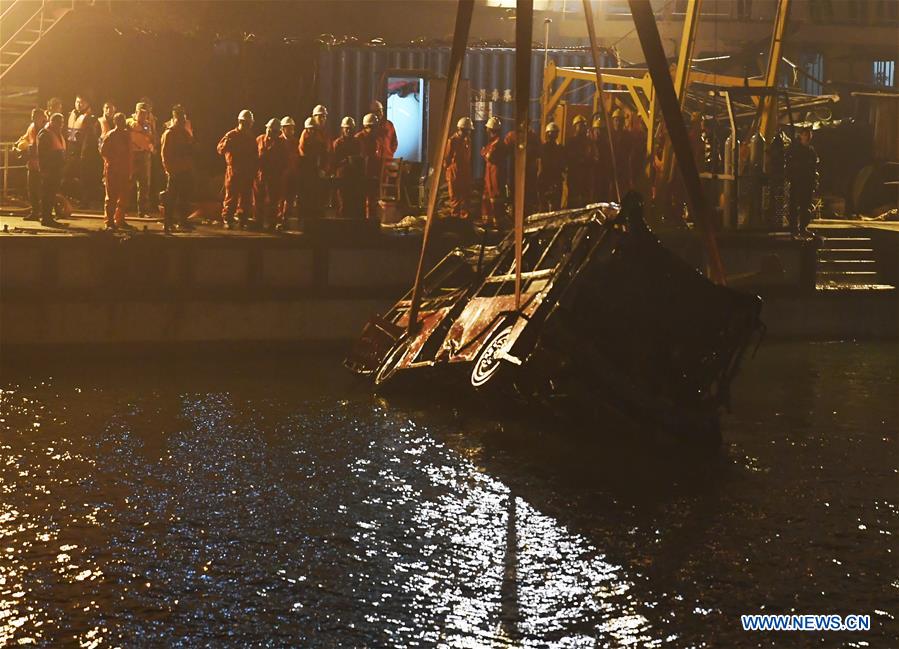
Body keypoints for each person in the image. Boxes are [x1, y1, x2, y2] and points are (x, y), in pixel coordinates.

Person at [217, 109, 258, 229]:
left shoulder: (250, 138)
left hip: (246, 171)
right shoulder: (231, 135)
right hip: (233, 171)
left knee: (245, 196)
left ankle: (242, 218)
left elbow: (255, 155)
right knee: (231, 196)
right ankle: (228, 218)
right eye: (246, 123)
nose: (248, 125)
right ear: (241, 122)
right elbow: (220, 149)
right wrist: (226, 145)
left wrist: (254, 169)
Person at [160, 105, 195, 233]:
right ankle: (168, 222)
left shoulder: (185, 133)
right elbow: (165, 153)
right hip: (174, 170)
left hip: (185, 169)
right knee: (171, 197)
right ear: (174, 119)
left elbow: (191, 148)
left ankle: (183, 221)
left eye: (183, 119)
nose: (182, 122)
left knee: (184, 197)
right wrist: (168, 170)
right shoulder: (169, 133)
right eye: (180, 119)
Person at [100, 112, 134, 231]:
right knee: (111, 196)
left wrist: (130, 169)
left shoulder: (127, 135)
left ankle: (120, 219)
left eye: (123, 120)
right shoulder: (111, 135)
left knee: (123, 196)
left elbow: (130, 153)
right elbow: (103, 151)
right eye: (119, 120)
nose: (122, 123)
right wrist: (113, 160)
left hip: (124, 170)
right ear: (115, 122)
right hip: (113, 170)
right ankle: (109, 221)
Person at [65, 95, 101, 208]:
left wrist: (83, 153)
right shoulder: (71, 114)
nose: (79, 104)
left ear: (87, 104)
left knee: (84, 178)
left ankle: (85, 201)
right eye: (77, 102)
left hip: (83, 152)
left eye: (81, 102)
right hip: (71, 150)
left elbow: (90, 138)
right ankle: (69, 198)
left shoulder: (90, 118)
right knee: (67, 176)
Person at [786, 125, 818, 239]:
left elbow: (814, 167)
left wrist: (814, 180)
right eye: (805, 134)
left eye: (809, 134)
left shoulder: (811, 151)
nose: (808, 137)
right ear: (801, 136)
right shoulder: (795, 150)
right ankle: (793, 228)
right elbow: (790, 164)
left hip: (807, 182)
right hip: (797, 181)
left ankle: (803, 228)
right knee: (794, 205)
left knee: (806, 206)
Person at [255, 118, 287, 231]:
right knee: (258, 199)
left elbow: (284, 161)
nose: (269, 131)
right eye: (268, 129)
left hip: (274, 176)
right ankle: (258, 221)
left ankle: (271, 222)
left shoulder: (281, 144)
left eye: (272, 130)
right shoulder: (259, 139)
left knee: (273, 200)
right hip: (260, 175)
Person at [15, 108, 47, 221]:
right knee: (32, 189)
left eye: (36, 117)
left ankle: (44, 213)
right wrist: (19, 143)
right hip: (33, 164)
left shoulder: (46, 130)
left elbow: (39, 147)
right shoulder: (32, 127)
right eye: (33, 117)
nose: (34, 119)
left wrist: (27, 151)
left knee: (42, 190)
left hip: (42, 165)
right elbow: (26, 137)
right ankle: (35, 212)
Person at [37, 113, 67, 227]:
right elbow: (42, 154)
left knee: (51, 194)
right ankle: (46, 218)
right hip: (49, 171)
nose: (62, 125)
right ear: (53, 122)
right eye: (60, 123)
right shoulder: (45, 134)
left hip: (56, 170)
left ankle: (49, 217)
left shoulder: (56, 133)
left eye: (62, 123)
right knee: (47, 194)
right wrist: (44, 170)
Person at [298, 116, 329, 223]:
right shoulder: (304, 139)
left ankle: (316, 214)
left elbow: (324, 154)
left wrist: (323, 169)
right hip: (306, 171)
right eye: (309, 129)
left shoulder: (319, 139)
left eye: (313, 129)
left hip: (316, 170)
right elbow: (302, 154)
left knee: (316, 194)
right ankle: (305, 214)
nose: (311, 131)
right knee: (306, 193)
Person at [332, 116, 364, 219]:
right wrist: (346, 161)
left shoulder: (357, 142)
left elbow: (360, 157)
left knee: (353, 202)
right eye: (347, 128)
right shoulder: (338, 143)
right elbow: (334, 160)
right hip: (342, 176)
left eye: (350, 128)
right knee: (342, 202)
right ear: (343, 129)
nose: (349, 130)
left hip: (354, 176)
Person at [503, 125, 540, 215]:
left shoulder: (532, 137)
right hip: (517, 172)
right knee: (517, 194)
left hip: (526, 173)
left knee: (526, 195)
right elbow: (504, 151)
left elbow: (539, 152)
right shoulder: (512, 136)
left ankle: (523, 215)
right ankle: (518, 215)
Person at [481, 116, 510, 228]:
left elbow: (489, 156)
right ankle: (488, 220)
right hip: (491, 173)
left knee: (495, 195)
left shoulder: (496, 143)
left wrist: (484, 152)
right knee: (488, 195)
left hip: (495, 173)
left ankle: (496, 221)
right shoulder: (494, 142)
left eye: (488, 128)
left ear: (490, 129)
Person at [128, 102, 155, 218]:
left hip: (144, 156)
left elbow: (152, 138)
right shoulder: (129, 122)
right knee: (129, 182)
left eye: (146, 113)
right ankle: (124, 209)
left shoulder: (148, 125)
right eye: (141, 113)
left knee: (144, 185)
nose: (143, 116)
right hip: (132, 155)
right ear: (136, 111)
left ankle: (143, 211)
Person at [355, 113, 383, 221]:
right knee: (361, 198)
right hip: (361, 173)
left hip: (373, 172)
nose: (373, 130)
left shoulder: (376, 139)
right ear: (365, 126)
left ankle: (372, 219)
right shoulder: (358, 138)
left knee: (373, 198)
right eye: (371, 127)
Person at [444, 117, 473, 219]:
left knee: (465, 197)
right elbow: (447, 158)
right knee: (455, 198)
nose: (469, 132)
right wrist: (448, 173)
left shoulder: (467, 140)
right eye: (467, 130)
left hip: (464, 172)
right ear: (461, 129)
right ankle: (455, 219)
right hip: (454, 172)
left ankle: (464, 220)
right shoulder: (452, 141)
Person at [564, 115, 593, 208]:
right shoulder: (570, 141)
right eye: (580, 125)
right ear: (575, 127)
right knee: (573, 196)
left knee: (585, 196)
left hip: (586, 173)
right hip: (574, 173)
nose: (582, 128)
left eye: (583, 125)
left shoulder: (589, 141)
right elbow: (568, 157)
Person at [538, 122, 565, 212]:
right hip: (551, 179)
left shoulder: (543, 148)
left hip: (548, 179)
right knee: (552, 206)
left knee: (546, 205)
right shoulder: (559, 148)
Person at [279, 116, 300, 225]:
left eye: (292, 128)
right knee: (281, 197)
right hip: (282, 174)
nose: (291, 130)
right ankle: (280, 217)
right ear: (282, 128)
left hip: (292, 173)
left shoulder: (296, 142)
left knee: (290, 197)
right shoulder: (278, 142)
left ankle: (286, 217)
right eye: (289, 128)